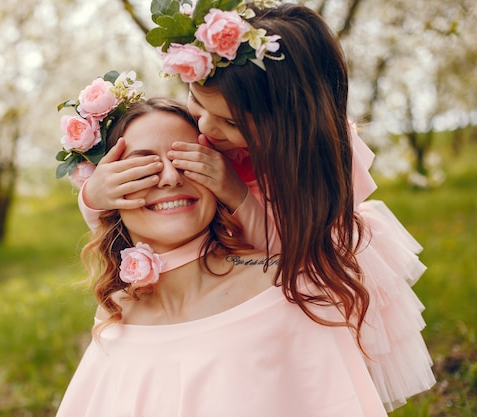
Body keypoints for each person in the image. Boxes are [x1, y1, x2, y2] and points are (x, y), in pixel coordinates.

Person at [75, 2, 435, 412]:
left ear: (280, 125)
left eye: (228, 123)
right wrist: (95, 195)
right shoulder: (213, 123)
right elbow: (133, 213)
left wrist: (236, 192)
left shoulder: (306, 165)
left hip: (302, 250)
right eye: (197, 105)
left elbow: (288, 247)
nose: (207, 130)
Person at [55, 91, 388, 416]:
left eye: (188, 161)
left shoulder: (286, 291)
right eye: (142, 169)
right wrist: (91, 198)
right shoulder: (115, 317)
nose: (170, 178)